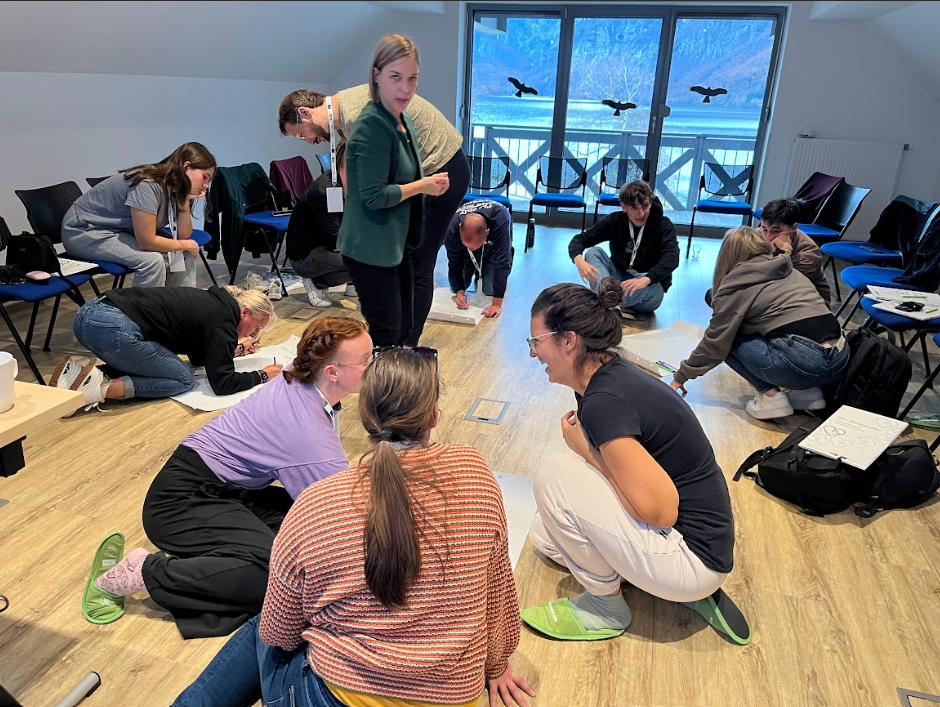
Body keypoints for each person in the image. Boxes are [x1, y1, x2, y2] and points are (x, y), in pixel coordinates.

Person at [170, 348, 534, 707]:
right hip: (453, 697)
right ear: (434, 415)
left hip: (333, 697)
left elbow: (279, 634)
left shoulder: (318, 502)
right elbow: (497, 587)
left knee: (262, 626)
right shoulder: (474, 470)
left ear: (364, 415)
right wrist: (496, 665)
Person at [88, 318, 373, 638]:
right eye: (365, 360)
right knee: (277, 580)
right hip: (179, 504)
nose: (373, 366)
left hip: (223, 490)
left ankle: (206, 558)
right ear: (332, 372)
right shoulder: (308, 434)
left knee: (303, 542)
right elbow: (344, 513)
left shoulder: (301, 372)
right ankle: (141, 572)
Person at [521, 281, 749, 645]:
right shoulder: (611, 372)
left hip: (691, 558)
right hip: (702, 543)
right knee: (544, 535)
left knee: (554, 473)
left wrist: (586, 452)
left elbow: (661, 512)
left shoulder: (604, 401)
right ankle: (652, 580)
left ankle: (606, 608)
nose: (533, 353)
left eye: (537, 341)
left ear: (568, 341)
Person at [278, 78, 470, 347]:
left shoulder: (358, 118)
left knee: (417, 263)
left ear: (305, 112)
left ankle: (405, 347)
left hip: (440, 172)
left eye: (301, 134)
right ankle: (395, 336)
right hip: (426, 173)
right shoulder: (345, 113)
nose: (309, 142)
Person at [334, 34, 449, 347]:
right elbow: (374, 196)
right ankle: (378, 378)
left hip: (394, 242)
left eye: (413, 78)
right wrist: (424, 185)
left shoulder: (403, 119)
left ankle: (395, 374)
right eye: (396, 77)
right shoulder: (371, 127)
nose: (406, 88)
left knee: (403, 327)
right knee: (387, 333)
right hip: (369, 246)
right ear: (377, 75)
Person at [670, 227, 849, 420]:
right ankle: (807, 393)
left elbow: (715, 344)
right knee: (775, 329)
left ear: (727, 255)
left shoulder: (735, 285)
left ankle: (771, 397)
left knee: (728, 337)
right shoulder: (788, 269)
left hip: (804, 361)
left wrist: (680, 377)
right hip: (840, 356)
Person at [50, 285, 281, 412]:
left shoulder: (215, 304)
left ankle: (77, 377)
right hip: (113, 328)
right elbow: (222, 384)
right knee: (182, 379)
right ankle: (101, 388)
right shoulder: (223, 322)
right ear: (245, 312)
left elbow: (199, 356)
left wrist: (232, 350)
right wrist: (262, 375)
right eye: (256, 328)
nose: (253, 335)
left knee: (163, 364)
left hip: (89, 314)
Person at [62, 142, 215, 288]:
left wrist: (185, 202)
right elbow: (147, 242)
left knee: (186, 252)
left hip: (121, 230)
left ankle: (182, 304)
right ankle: (149, 307)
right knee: (152, 262)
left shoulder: (177, 187)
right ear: (186, 167)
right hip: (84, 232)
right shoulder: (147, 184)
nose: (206, 185)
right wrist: (185, 244)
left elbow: (183, 236)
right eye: (205, 177)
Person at [569, 180, 678, 314]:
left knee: (655, 288)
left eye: (645, 206)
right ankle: (610, 305)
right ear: (624, 207)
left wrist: (646, 279)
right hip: (617, 280)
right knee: (593, 252)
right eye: (634, 208)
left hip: (645, 289)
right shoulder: (615, 220)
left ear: (650, 202)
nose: (641, 213)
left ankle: (604, 303)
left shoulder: (663, 225)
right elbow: (581, 239)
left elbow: (672, 257)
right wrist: (579, 261)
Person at [286, 141, 356, 308]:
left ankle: (353, 281)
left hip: (327, 246)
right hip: (306, 256)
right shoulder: (325, 192)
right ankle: (317, 282)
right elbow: (336, 241)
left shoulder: (347, 183)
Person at [444, 199, 514, 318]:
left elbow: (502, 261)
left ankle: (488, 261)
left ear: (487, 232)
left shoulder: (500, 220)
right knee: (458, 286)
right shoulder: (452, 230)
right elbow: (454, 264)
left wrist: (496, 305)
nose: (471, 248)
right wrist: (460, 293)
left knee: (490, 289)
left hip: (492, 247)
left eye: (474, 246)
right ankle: (476, 264)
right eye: (468, 245)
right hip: (464, 252)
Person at [759, 198, 831, 305]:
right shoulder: (758, 235)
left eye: (776, 231)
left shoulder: (809, 251)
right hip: (772, 292)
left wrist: (787, 251)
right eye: (764, 229)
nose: (768, 237)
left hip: (808, 301)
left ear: (794, 227)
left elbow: (786, 283)